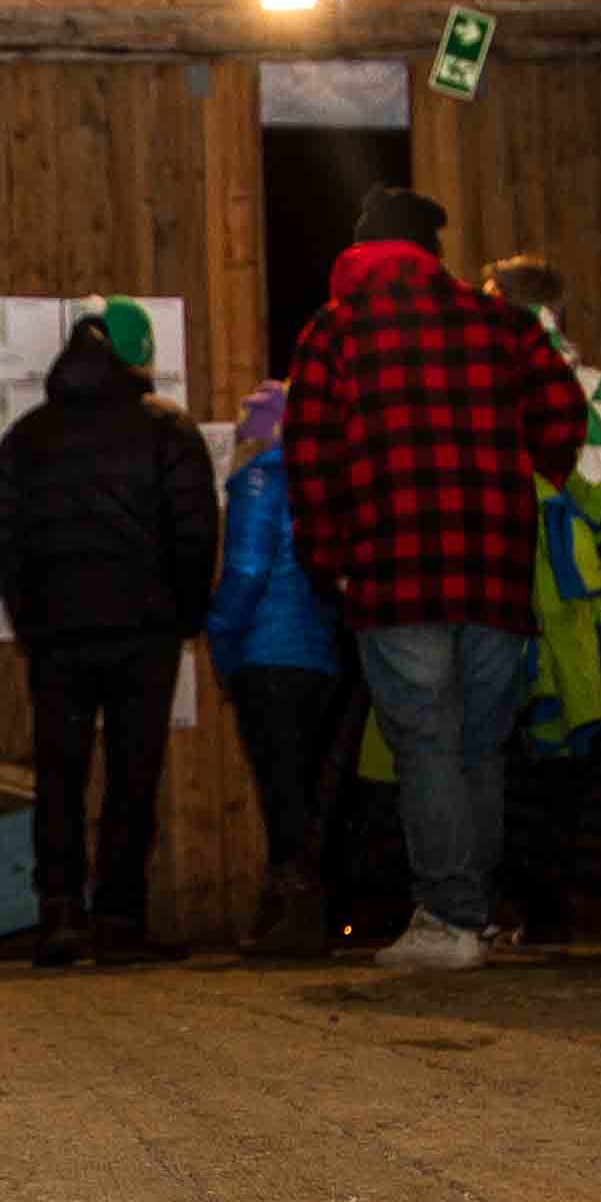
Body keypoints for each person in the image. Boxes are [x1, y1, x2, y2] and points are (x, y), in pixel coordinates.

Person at [285, 188, 586, 973]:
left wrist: (329, 556)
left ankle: (449, 916)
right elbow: (565, 415)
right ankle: (474, 915)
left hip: (394, 569)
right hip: (495, 570)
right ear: (432, 253)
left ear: (361, 252)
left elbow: (309, 455)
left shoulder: (334, 329)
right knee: (482, 745)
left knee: (425, 741)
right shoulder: (501, 323)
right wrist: (521, 476)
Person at [0, 297, 218, 968]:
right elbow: (195, 531)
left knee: (59, 774)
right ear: (136, 355)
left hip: (57, 633)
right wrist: (186, 614)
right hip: (145, 630)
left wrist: (29, 618)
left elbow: (2, 535)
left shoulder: (27, 436)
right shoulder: (168, 430)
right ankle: (119, 919)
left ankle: (59, 915)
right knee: (132, 774)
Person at [481, 254, 601, 953]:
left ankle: (545, 912)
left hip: (538, 576)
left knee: (536, 747)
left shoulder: (501, 387)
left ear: (506, 304)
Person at [206, 380, 343, 958]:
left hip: (267, 653)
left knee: (280, 789)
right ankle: (291, 911)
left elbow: (245, 571)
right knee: (306, 789)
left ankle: (296, 915)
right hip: (319, 656)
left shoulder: (259, 480)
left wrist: (220, 638)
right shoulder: (324, 485)